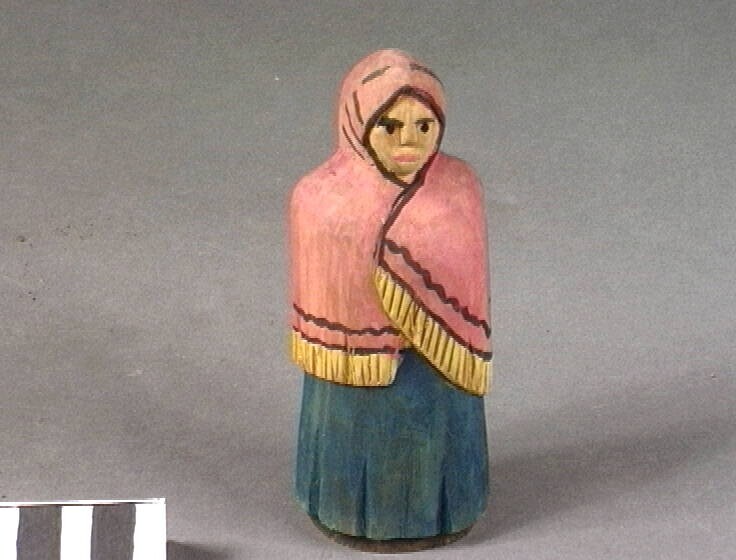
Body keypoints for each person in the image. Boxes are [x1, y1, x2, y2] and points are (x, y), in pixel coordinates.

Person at [288, 49, 492, 549]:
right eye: (391, 126)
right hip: (352, 380)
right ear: (359, 125)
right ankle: (345, 506)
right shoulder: (319, 198)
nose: (409, 142)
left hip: (438, 377)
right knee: (352, 436)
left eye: (424, 126)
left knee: (438, 435)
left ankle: (446, 507)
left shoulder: (459, 187)